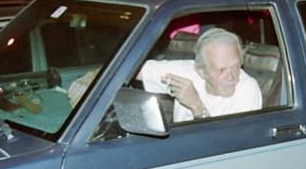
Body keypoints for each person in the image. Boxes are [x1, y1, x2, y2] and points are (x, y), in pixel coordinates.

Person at [67, 28, 262, 121]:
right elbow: (128, 66)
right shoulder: (187, 71)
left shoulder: (247, 88)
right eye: (221, 70)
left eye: (236, 67)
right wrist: (88, 79)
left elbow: (226, 149)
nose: (231, 76)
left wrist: (196, 105)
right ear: (201, 71)